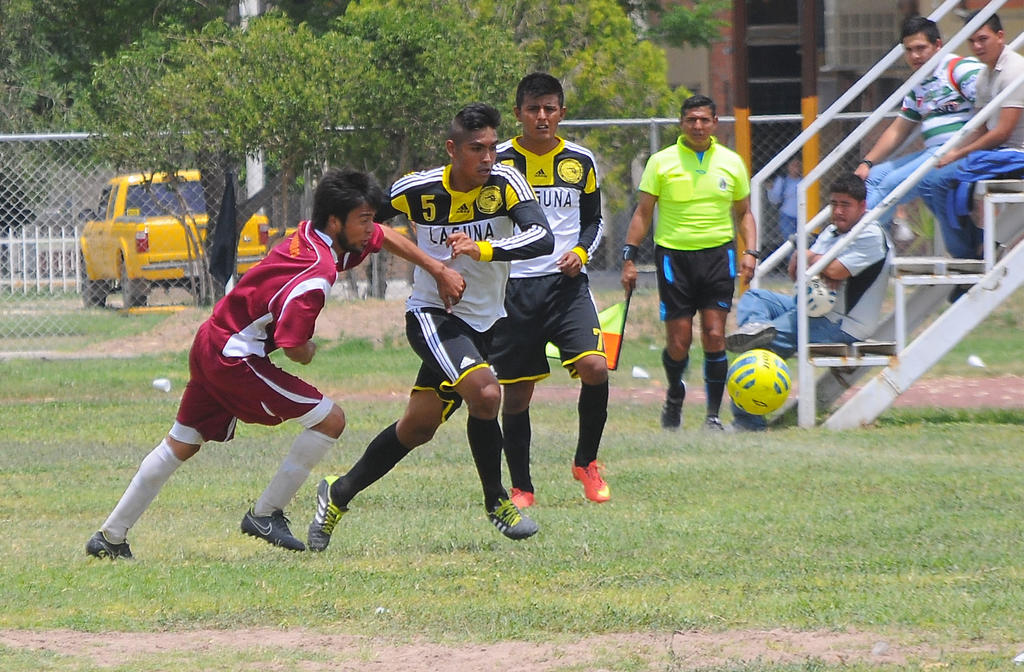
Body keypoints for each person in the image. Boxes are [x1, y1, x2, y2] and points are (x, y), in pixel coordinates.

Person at [85, 169, 466, 558]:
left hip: (212, 339)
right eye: (363, 220)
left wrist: (436, 269)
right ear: (336, 222)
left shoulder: (309, 235)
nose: (372, 228)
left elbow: (384, 236)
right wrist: (309, 349)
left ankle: (110, 537)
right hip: (234, 357)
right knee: (330, 420)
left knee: (181, 442)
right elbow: (292, 345)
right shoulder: (316, 274)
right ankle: (266, 514)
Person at [307, 102, 554, 551]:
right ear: (452, 149)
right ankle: (497, 501)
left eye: (492, 148)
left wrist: (482, 248)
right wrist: (323, 256)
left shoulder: (507, 182)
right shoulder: (417, 189)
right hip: (433, 315)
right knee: (486, 394)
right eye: (476, 149)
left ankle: (337, 493)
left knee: (417, 428)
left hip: (485, 323)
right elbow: (365, 223)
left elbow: (542, 238)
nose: (487, 158)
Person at [487, 72, 610, 509]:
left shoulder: (580, 161)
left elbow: (595, 220)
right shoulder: (498, 162)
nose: (542, 117)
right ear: (518, 113)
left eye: (549, 109)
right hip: (513, 289)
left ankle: (586, 462)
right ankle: (522, 487)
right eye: (533, 109)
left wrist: (581, 251)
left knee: (596, 367)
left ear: (561, 113)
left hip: (567, 286)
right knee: (517, 392)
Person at [620, 94, 758, 432]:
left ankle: (712, 415)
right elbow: (643, 213)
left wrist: (751, 252)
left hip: (718, 256)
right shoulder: (661, 162)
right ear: (682, 123)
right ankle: (674, 395)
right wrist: (629, 258)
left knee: (715, 334)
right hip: (674, 258)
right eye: (691, 120)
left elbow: (744, 214)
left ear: (715, 123)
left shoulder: (731, 162)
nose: (698, 125)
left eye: (704, 120)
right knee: (679, 342)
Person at [725, 174, 892, 431]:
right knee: (755, 297)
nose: (838, 211)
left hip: (841, 324)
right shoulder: (833, 231)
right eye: (834, 203)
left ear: (862, 206)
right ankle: (757, 328)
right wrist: (815, 260)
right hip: (809, 308)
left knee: (756, 351)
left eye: (845, 205)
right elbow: (797, 272)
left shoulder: (871, 234)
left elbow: (834, 270)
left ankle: (749, 423)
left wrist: (809, 257)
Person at [853, 15, 982, 241]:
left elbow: (989, 110)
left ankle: (851, 240)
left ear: (938, 45)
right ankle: (870, 241)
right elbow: (898, 130)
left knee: (891, 184)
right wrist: (867, 163)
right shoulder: (919, 83)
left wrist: (962, 149)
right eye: (909, 50)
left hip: (958, 149)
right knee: (872, 178)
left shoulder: (961, 69)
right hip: (932, 152)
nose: (914, 56)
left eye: (921, 48)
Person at [926, 11, 1024, 260]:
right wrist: (951, 152)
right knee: (927, 180)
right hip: (999, 154)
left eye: (983, 39)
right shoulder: (984, 76)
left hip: (1016, 154)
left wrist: (958, 154)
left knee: (940, 181)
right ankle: (976, 247)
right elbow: (980, 127)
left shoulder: (1015, 70)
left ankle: (967, 254)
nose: (977, 47)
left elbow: (1002, 132)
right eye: (971, 41)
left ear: (1000, 36)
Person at [768, 157, 801, 247]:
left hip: (802, 216)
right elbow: (775, 199)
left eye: (798, 165)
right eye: (793, 165)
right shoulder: (782, 181)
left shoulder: (804, 179)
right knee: (789, 243)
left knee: (803, 242)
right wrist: (771, 190)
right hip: (787, 216)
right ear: (788, 167)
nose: (796, 168)